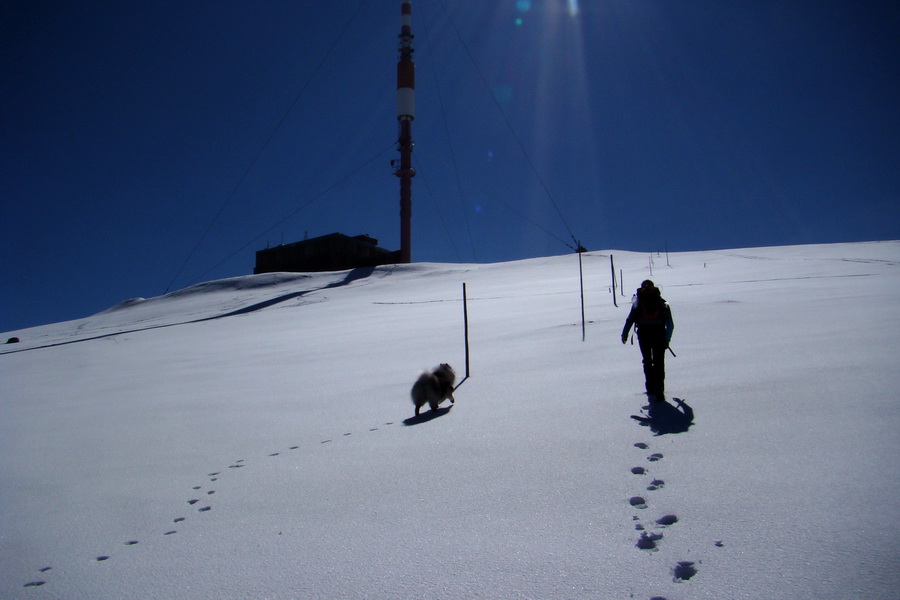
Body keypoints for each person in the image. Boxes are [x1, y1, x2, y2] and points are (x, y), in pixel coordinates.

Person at [621, 280, 674, 400]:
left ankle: (650, 388)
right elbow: (670, 324)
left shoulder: (638, 303)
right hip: (659, 335)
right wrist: (667, 339)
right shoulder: (662, 303)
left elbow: (630, 319)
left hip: (643, 335)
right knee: (659, 362)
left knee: (647, 361)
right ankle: (659, 391)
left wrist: (625, 334)